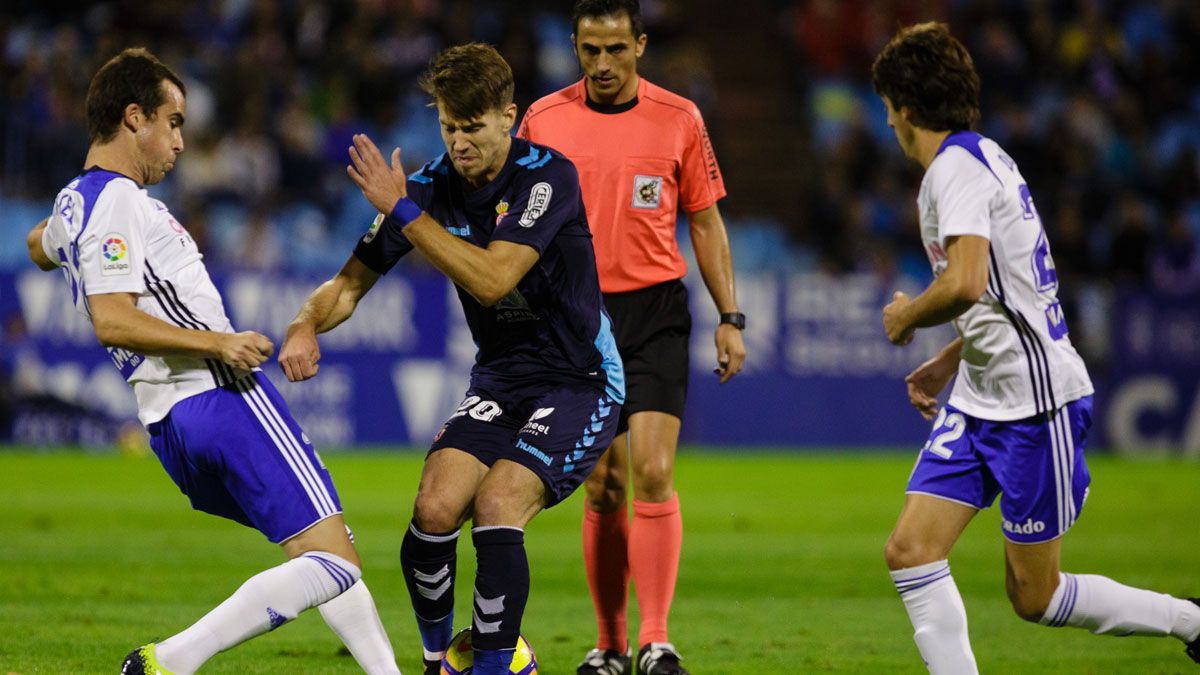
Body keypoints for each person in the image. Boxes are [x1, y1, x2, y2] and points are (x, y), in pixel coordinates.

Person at [25, 48, 400, 675]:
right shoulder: (117, 199)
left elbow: (42, 244)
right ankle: (171, 660)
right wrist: (219, 343)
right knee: (334, 561)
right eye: (172, 124)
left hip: (169, 426)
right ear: (133, 117)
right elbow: (112, 319)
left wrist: (57, 234)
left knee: (318, 551)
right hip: (220, 394)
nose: (179, 143)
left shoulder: (78, 205)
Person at [278, 43, 625, 675]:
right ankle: (440, 660)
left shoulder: (547, 177)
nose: (458, 141)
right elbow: (349, 284)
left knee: (497, 504)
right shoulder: (432, 187)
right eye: (447, 126)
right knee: (434, 509)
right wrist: (305, 323)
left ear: (508, 116)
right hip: (501, 376)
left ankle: (491, 668)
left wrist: (404, 210)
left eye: (472, 127)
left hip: (580, 380)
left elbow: (494, 279)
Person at [873, 23, 1200, 673]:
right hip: (980, 396)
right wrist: (948, 361)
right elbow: (1002, 293)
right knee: (911, 548)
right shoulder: (980, 158)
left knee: (1036, 595)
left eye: (887, 109)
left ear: (905, 109)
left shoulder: (955, 170)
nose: (887, 124)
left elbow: (965, 281)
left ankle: (1193, 620)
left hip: (1034, 401)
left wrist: (908, 315)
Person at [517, 2, 744, 673]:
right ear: (575, 48)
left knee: (652, 469)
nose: (603, 65)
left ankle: (657, 639)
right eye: (590, 51)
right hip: (580, 319)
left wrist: (730, 316)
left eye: (616, 49)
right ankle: (610, 644)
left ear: (640, 46)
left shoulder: (679, 119)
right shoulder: (544, 119)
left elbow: (705, 220)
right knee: (602, 485)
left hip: (654, 313)